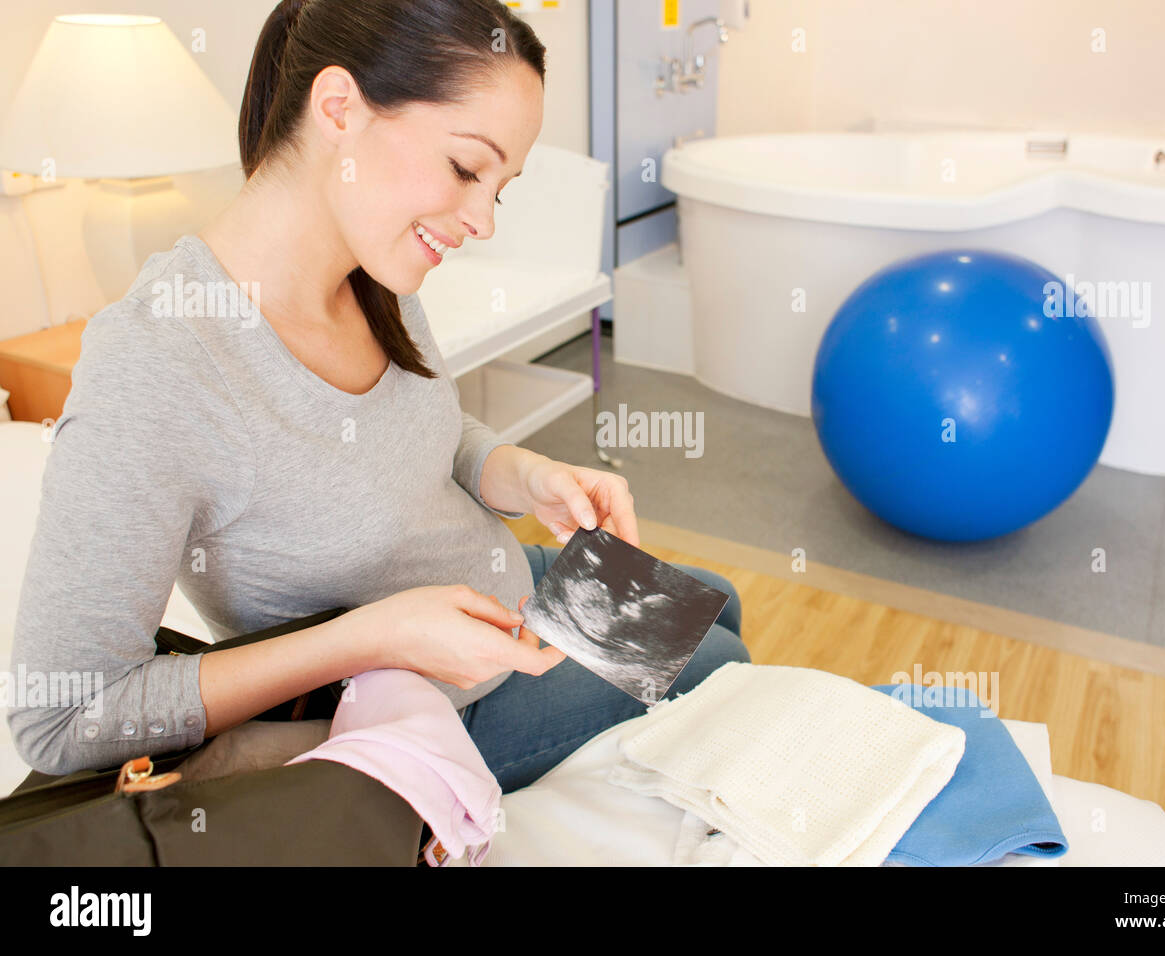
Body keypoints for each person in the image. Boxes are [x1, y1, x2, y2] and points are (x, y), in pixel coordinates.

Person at [7, 0, 748, 790]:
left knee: (721, 600)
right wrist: (370, 638)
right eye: (467, 168)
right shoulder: (161, 362)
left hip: (490, 585)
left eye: (500, 188)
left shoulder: (371, 270)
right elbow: (59, 718)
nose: (482, 221)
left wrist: (520, 473)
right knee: (722, 655)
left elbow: (413, 434)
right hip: (428, 703)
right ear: (338, 109)